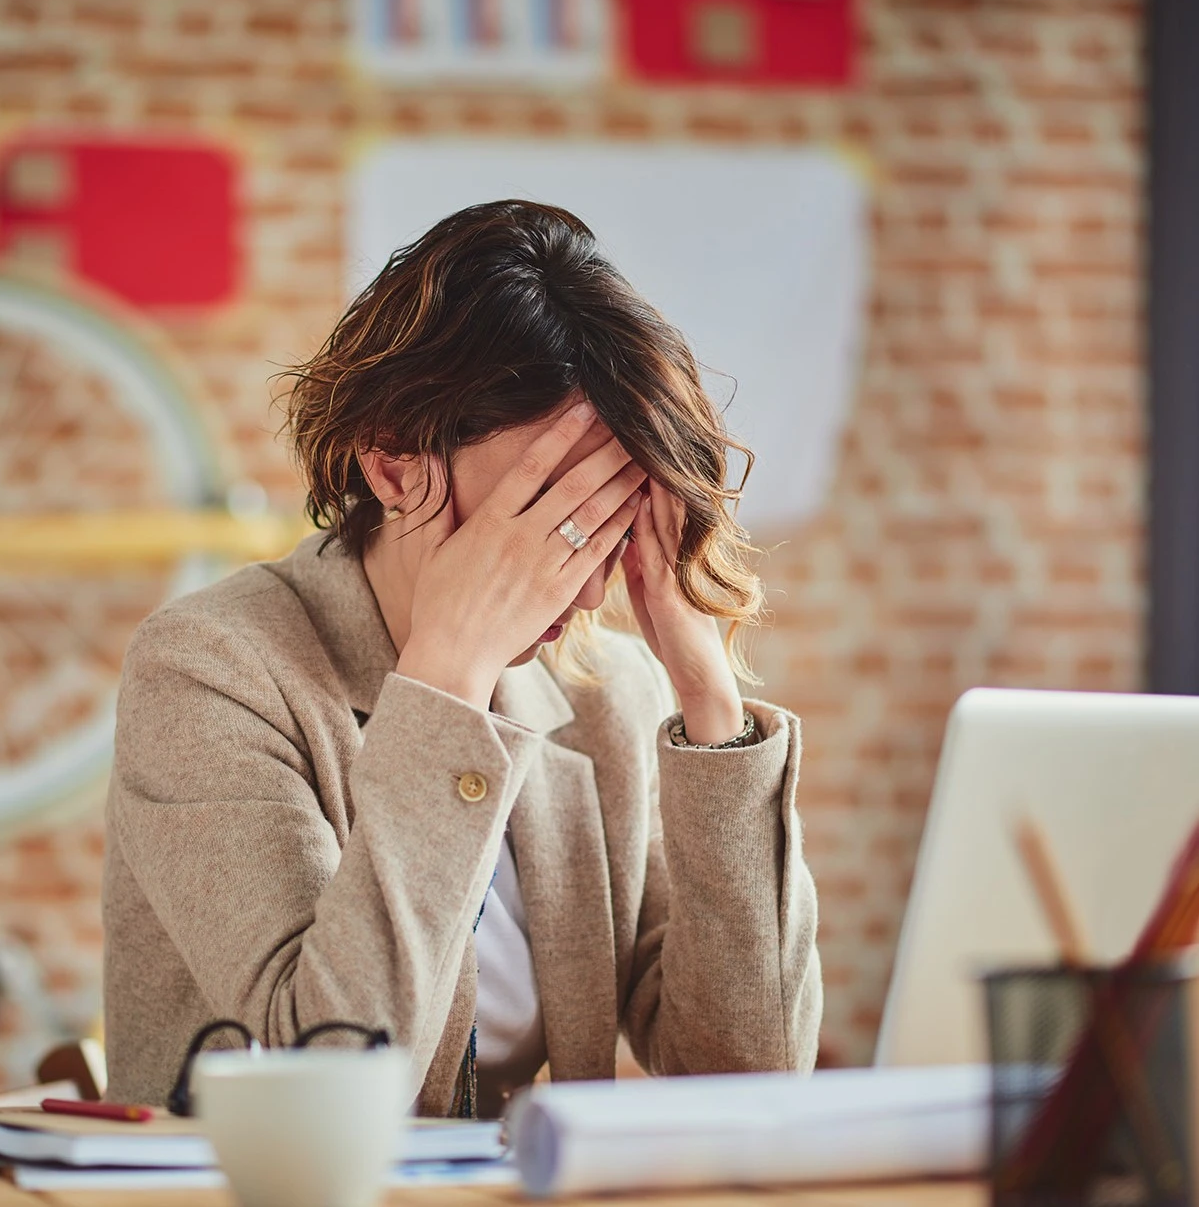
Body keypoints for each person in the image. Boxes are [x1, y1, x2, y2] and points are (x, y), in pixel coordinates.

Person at [103, 200, 821, 1118]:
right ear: (395, 465)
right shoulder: (212, 669)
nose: (585, 582)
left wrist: (706, 694)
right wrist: (444, 683)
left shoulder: (607, 695)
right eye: (552, 509)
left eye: (614, 515)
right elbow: (333, 1084)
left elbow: (748, 1081)